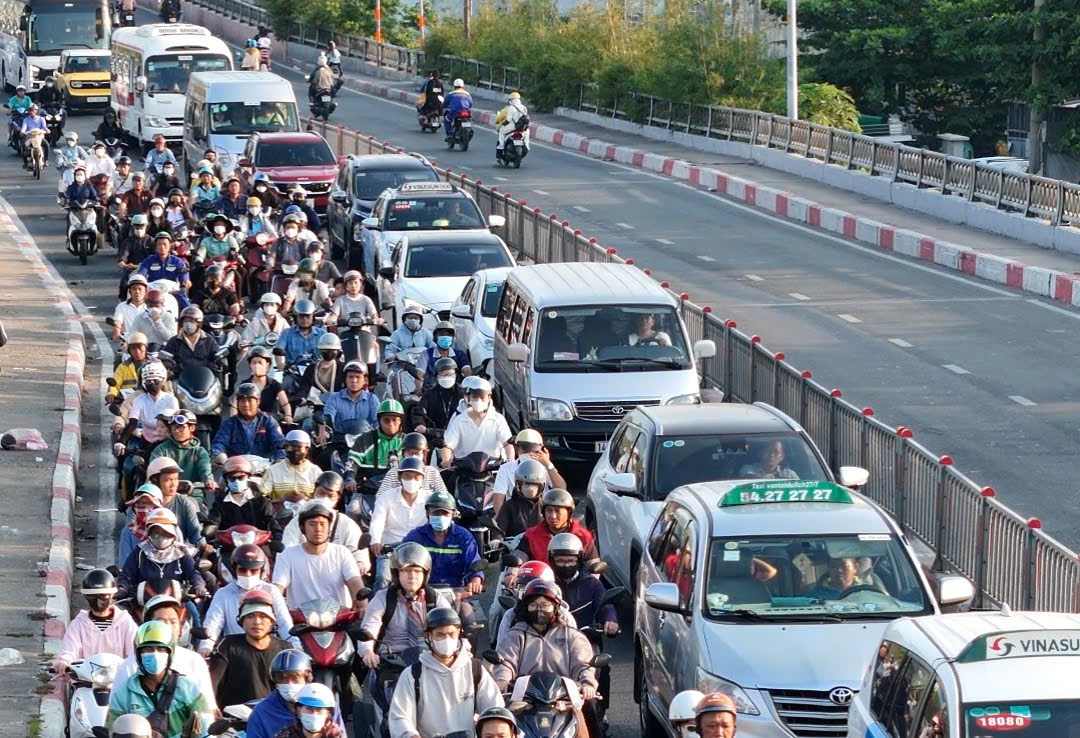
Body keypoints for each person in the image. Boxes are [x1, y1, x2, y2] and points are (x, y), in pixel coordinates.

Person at [388, 607, 503, 738]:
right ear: (428, 636)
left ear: (459, 633)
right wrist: (410, 735)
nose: (447, 639)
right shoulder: (413, 674)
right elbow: (400, 717)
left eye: (451, 634)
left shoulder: (475, 669)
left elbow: (495, 708)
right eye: (440, 635)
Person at [357, 544, 453, 699]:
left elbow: (451, 626)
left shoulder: (435, 599)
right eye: (407, 571)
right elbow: (370, 626)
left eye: (417, 571)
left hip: (429, 662)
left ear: (425, 574)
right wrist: (368, 651)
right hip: (391, 664)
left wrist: (461, 646)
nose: (412, 576)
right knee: (389, 701)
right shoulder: (383, 598)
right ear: (396, 573)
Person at [493, 580, 597, 710]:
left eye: (545, 605)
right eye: (533, 605)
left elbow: (582, 665)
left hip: (565, 697)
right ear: (526, 608)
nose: (539, 610)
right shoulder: (515, 635)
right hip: (524, 698)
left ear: (555, 607)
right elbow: (506, 663)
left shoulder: (571, 636)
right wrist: (502, 682)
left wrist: (587, 684)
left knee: (591, 710)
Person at [106, 621, 212, 738]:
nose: (155, 654)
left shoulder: (189, 689)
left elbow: (206, 730)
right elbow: (112, 729)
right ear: (138, 653)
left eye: (161, 649)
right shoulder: (124, 693)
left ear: (170, 653)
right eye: (148, 649)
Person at [272, 499, 366, 609]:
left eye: (323, 524)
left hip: (340, 618)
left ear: (329, 528)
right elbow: (278, 587)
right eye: (312, 524)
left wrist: (362, 606)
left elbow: (354, 581)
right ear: (303, 528)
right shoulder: (288, 555)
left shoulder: (342, 553)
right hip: (300, 620)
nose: (318, 529)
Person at [200, 544, 292, 655]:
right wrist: (206, 647)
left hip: (268, 651)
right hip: (235, 654)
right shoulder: (223, 594)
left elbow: (284, 623)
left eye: (253, 571)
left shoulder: (272, 591)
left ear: (262, 571)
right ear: (235, 571)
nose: (248, 574)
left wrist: (295, 647)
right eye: (243, 570)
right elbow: (213, 623)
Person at [209, 589, 291, 707]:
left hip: (274, 717)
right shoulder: (227, 646)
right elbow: (213, 683)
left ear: (272, 622)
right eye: (250, 616)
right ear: (242, 621)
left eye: (263, 616)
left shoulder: (285, 649)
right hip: (234, 717)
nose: (257, 622)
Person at [281, 471, 371, 576]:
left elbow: (360, 556)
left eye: (330, 496)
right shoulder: (297, 522)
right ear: (314, 492)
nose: (324, 499)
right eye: (321, 493)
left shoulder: (347, 525)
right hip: (305, 575)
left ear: (338, 498)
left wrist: (359, 566)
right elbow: (287, 550)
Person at [247, 651, 346, 738]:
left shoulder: (325, 701)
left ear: (307, 678)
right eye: (282, 678)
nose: (289, 684)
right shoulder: (262, 712)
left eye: (295, 677)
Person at [54, 569, 138, 670]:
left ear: (112, 595)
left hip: (117, 681)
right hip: (86, 681)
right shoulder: (78, 624)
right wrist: (64, 661)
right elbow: (69, 649)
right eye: (93, 597)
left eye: (103, 596)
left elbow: (134, 651)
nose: (99, 601)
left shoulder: (125, 622)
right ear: (86, 597)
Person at [402, 491, 483, 593]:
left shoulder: (464, 537)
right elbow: (403, 561)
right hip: (422, 593)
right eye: (436, 513)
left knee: (467, 609)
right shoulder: (415, 537)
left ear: (453, 514)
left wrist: (476, 580)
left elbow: (473, 563)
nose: (440, 516)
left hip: (456, 594)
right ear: (428, 513)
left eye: (445, 513)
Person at [367, 456, 432, 581]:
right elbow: (377, 521)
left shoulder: (429, 499)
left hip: (420, 549)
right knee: (383, 579)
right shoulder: (386, 497)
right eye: (407, 476)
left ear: (422, 479)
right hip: (390, 550)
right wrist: (375, 541)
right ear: (400, 477)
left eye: (416, 477)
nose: (412, 480)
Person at [117, 508, 207, 598]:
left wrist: (199, 586)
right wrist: (122, 588)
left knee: (194, 611)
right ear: (149, 533)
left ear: (173, 533)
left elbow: (193, 573)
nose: (161, 537)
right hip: (143, 602)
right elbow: (126, 575)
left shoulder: (181, 551)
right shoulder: (140, 551)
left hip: (178, 600)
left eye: (166, 532)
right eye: (156, 533)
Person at [440, 377, 513, 467]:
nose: (478, 400)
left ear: (489, 397)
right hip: (465, 469)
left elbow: (507, 444)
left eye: (482, 397)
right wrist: (447, 461)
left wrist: (510, 462)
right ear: (468, 398)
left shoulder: (498, 419)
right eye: (475, 396)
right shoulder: (459, 420)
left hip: (492, 467)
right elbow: (448, 446)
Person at [490, 428, 566, 515]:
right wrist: (549, 464)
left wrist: (503, 522)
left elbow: (498, 500)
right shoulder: (546, 467)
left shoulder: (505, 468)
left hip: (520, 518)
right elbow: (562, 489)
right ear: (542, 449)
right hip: (538, 518)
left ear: (517, 448)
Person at [518, 488, 599, 563]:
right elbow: (521, 554)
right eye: (549, 511)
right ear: (543, 512)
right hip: (539, 578)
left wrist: (595, 567)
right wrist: (516, 563)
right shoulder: (531, 535)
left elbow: (593, 562)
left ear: (569, 513)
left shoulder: (583, 536)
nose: (553, 516)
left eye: (558, 511)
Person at [206, 456, 280, 536]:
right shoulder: (220, 502)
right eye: (232, 478)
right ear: (226, 480)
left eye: (241, 477)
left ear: (248, 477)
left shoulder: (261, 500)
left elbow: (271, 521)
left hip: (258, 544)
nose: (236, 481)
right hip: (229, 545)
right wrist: (209, 529)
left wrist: (277, 538)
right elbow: (214, 521)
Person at [211, 382, 286, 461]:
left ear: (258, 402)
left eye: (250, 400)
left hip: (264, 468)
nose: (246, 404)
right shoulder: (229, 424)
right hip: (237, 468)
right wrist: (219, 455)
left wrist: (278, 460)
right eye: (242, 401)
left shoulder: (268, 422)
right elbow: (219, 443)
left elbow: (280, 445)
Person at [147, 455, 206, 552]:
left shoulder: (185, 503)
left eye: (175, 479)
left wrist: (204, 547)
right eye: (168, 480)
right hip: (148, 553)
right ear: (155, 481)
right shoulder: (142, 504)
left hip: (179, 554)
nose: (173, 484)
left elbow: (195, 534)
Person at [148, 410, 214, 491]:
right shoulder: (161, 449)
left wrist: (208, 480)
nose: (176, 430)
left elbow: (205, 469)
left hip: (193, 495)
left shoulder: (200, 451)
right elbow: (154, 471)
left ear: (192, 428)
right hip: (166, 494)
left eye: (181, 427)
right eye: (174, 427)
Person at [375, 432, 448, 498]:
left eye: (417, 453)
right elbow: (380, 496)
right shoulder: (394, 472)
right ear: (404, 454)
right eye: (410, 453)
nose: (413, 456)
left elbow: (444, 496)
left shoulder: (432, 472)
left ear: (424, 454)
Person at [347, 398, 405, 476]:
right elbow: (353, 461)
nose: (391, 424)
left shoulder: (408, 441)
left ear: (401, 422)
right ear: (379, 421)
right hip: (369, 486)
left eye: (394, 420)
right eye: (386, 420)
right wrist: (350, 478)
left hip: (401, 485)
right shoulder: (365, 439)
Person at [261, 429, 322, 502]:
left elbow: (320, 499)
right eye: (290, 447)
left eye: (298, 447)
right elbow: (263, 496)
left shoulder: (315, 471)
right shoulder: (273, 470)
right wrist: (282, 500)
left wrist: (305, 500)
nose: (294, 451)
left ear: (307, 449)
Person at [410, 357, 463, 438]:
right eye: (443, 375)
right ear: (437, 376)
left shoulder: (462, 393)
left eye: (450, 374)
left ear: (455, 375)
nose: (447, 377)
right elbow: (419, 412)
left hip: (459, 436)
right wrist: (420, 424)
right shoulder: (429, 394)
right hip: (434, 436)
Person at [494, 458, 547, 537]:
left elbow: (554, 528)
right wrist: (497, 540)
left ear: (541, 487)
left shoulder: (545, 506)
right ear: (519, 485)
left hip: (539, 547)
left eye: (534, 485)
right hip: (514, 547)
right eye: (527, 484)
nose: (530, 489)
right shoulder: (509, 506)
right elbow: (500, 528)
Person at [322, 360, 378, 431]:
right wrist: (324, 427)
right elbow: (328, 418)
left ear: (365, 380)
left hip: (365, 440)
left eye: (358, 377)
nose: (354, 380)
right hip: (340, 439)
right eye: (350, 377)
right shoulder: (334, 398)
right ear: (345, 379)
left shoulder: (372, 399)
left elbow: (378, 422)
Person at [162, 305, 217, 375]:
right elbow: (166, 358)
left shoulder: (209, 340)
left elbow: (216, 357)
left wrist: (214, 364)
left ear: (199, 323)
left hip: (205, 378)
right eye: (185, 321)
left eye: (191, 321)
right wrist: (171, 365)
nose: (188, 324)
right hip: (181, 379)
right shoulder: (174, 341)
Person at [275, 683, 345, 738]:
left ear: (328, 714)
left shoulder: (335, 734)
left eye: (319, 710)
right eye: (309, 708)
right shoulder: (286, 735)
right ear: (298, 711)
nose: (314, 714)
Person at [244, 346, 293, 423]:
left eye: (260, 362)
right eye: (254, 363)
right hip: (249, 422)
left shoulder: (274, 384)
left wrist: (288, 415)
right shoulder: (245, 385)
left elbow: (285, 403)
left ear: (267, 365)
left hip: (270, 422)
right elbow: (234, 405)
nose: (257, 365)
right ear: (250, 365)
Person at [295, 332, 344, 404]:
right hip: (316, 404)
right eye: (325, 350)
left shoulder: (342, 368)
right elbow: (304, 387)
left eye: (332, 351)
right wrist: (302, 398)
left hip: (339, 404)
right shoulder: (311, 368)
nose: (328, 353)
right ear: (320, 351)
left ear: (338, 352)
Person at [419, 321, 470, 387]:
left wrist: (468, 384)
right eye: (442, 334)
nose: (445, 337)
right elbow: (420, 374)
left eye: (448, 335)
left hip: (455, 390)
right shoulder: (426, 354)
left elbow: (466, 371)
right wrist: (418, 388)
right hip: (431, 389)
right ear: (435, 337)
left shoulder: (460, 354)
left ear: (453, 338)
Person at [279, 298, 326, 369]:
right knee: (287, 380)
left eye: (308, 316)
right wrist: (282, 366)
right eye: (301, 316)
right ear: (295, 317)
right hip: (293, 372)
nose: (304, 319)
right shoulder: (286, 333)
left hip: (317, 371)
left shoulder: (322, 334)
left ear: (313, 317)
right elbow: (279, 350)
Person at [107, 331, 150, 403]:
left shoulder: (155, 365)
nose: (137, 351)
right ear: (129, 350)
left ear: (146, 348)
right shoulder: (123, 367)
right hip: (128, 402)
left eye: (140, 347)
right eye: (133, 348)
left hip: (150, 401)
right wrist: (111, 394)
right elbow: (115, 384)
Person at [118, 215, 153, 298]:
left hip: (149, 269)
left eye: (142, 226)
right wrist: (123, 263)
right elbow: (123, 256)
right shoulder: (128, 241)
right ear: (133, 227)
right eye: (137, 226)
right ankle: (122, 301)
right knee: (124, 284)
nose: (139, 229)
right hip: (132, 269)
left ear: (146, 226)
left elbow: (155, 256)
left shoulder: (151, 241)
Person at [112, 274, 150, 341]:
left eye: (140, 289)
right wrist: (117, 333)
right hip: (129, 341)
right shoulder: (121, 306)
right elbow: (118, 322)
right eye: (134, 289)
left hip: (148, 340)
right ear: (130, 291)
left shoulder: (150, 306)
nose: (137, 292)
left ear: (145, 291)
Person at [495, 91, 530, 157]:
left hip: (513, 127)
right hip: (523, 128)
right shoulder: (524, 108)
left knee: (501, 132)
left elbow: (508, 120)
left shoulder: (511, 108)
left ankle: (501, 147)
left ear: (511, 100)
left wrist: (503, 124)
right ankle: (527, 146)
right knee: (526, 137)